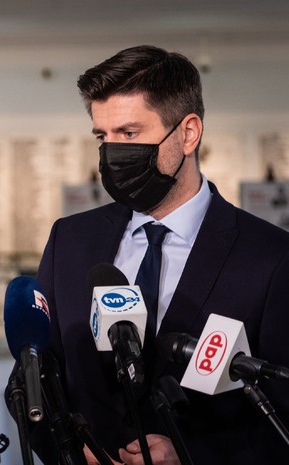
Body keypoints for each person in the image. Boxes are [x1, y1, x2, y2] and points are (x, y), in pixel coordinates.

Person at [35, 45, 289, 465]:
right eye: (102, 136)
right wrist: (71, 450)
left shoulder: (271, 258)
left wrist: (189, 456)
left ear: (188, 133)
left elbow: (282, 419)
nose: (111, 153)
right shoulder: (70, 241)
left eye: (129, 134)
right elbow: (35, 377)